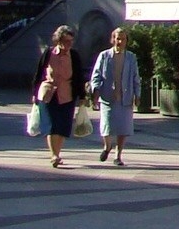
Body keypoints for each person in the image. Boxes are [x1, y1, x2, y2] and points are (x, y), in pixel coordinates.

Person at [32, 26, 85, 169]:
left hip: (67, 94)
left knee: (62, 126)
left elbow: (79, 76)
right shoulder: (48, 53)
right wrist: (34, 93)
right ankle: (54, 155)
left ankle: (57, 152)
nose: (69, 44)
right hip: (48, 93)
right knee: (51, 125)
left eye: (71, 41)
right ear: (59, 40)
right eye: (66, 41)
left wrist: (82, 96)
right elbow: (39, 73)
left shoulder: (74, 56)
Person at [91, 27, 140, 165]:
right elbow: (96, 75)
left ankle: (118, 155)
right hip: (108, 96)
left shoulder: (131, 57)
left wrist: (137, 94)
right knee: (106, 126)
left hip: (125, 97)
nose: (120, 41)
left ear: (126, 41)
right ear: (113, 39)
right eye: (118, 38)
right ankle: (107, 146)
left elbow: (136, 77)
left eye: (123, 39)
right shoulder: (104, 56)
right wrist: (95, 90)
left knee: (123, 128)